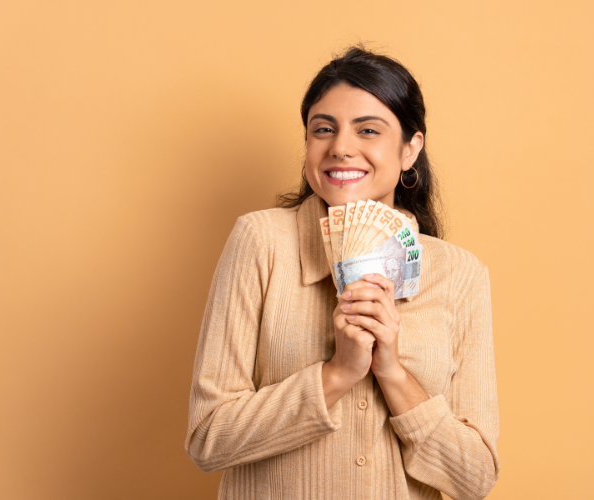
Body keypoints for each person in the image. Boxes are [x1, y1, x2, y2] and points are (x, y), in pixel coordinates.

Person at [185, 46, 500, 500]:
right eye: (323, 129)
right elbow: (207, 437)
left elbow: (474, 479)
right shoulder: (260, 241)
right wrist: (337, 374)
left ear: (410, 149)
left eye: (368, 130)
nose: (341, 148)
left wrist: (391, 372)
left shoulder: (460, 274)